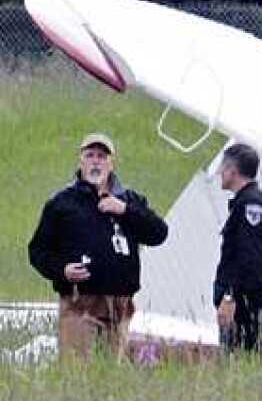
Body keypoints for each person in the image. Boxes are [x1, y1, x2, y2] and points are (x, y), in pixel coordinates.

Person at [28, 133, 169, 359]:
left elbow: (158, 233)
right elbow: (37, 251)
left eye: (102, 156)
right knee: (78, 371)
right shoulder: (62, 202)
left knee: (112, 372)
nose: (96, 161)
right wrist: (62, 270)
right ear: (80, 161)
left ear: (112, 163)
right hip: (79, 302)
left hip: (121, 303)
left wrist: (124, 210)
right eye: (90, 155)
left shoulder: (130, 199)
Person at [213, 143, 262, 355]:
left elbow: (249, 259)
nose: (220, 174)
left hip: (246, 307)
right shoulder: (254, 203)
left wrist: (230, 297)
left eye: (223, 169)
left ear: (233, 171)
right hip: (254, 300)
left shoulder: (251, 206)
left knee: (242, 362)